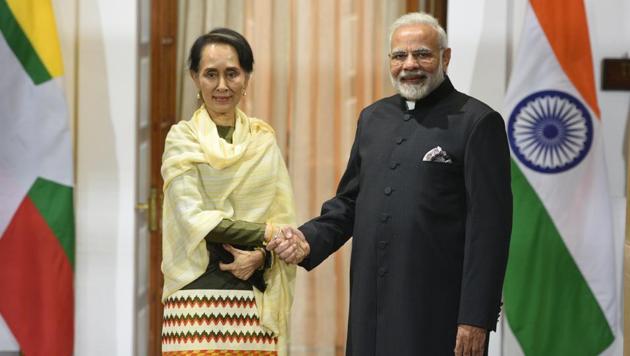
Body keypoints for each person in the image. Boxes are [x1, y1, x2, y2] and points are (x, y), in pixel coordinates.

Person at [267, 12, 512, 356]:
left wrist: (476, 318)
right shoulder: (373, 118)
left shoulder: (478, 122)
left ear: (446, 57)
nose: (409, 64)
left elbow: (490, 231)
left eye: (422, 54)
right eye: (399, 56)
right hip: (371, 308)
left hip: (439, 315)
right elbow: (350, 202)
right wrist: (308, 239)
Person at [160, 28, 296, 355]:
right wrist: (268, 233)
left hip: (256, 298)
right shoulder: (182, 140)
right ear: (194, 77)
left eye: (232, 73)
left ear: (246, 77)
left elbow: (282, 216)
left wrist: (263, 254)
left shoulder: (263, 141)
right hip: (193, 296)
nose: (222, 86)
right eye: (211, 74)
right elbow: (193, 218)